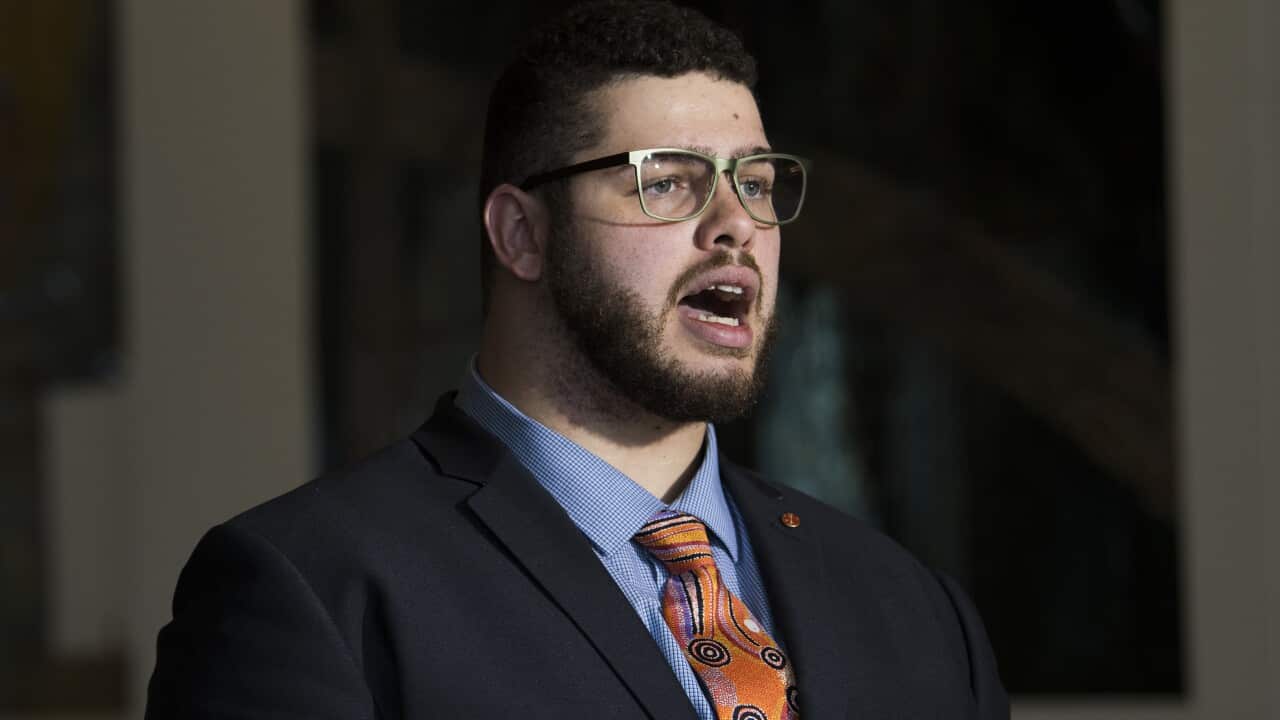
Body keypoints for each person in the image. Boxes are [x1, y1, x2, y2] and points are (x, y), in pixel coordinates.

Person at [145, 2, 1008, 718]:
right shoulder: (307, 591)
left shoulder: (916, 611)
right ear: (522, 234)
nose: (736, 225)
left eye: (755, 182)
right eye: (666, 181)